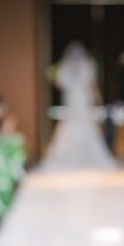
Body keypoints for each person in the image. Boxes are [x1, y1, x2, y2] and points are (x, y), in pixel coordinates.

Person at [37, 42, 116, 173]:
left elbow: (60, 83)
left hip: (72, 98)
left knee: (72, 124)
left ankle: (66, 155)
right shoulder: (87, 65)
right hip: (82, 98)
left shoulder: (64, 67)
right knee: (82, 124)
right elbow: (91, 84)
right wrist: (97, 97)